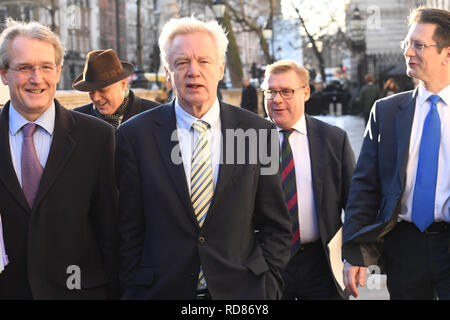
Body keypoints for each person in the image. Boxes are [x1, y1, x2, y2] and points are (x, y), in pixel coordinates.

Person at [115, 16, 292, 300]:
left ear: (221, 68)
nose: (193, 72)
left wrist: (268, 286)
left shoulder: (258, 132)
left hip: (243, 293)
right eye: (182, 62)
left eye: (204, 61)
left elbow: (276, 224)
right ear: (167, 72)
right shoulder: (135, 135)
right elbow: (128, 229)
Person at [0, 19, 118, 299]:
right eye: (25, 67)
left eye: (45, 67)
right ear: (4, 74)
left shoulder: (98, 137)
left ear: (59, 72)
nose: (36, 78)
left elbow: (113, 232)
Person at [343, 6, 450, 300]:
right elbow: (364, 186)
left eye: (419, 45)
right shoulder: (387, 112)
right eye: (407, 44)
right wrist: (354, 253)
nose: (408, 52)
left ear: (447, 54)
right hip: (404, 248)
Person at [262, 59, 355, 299]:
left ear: (306, 92)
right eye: (270, 91)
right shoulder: (248, 141)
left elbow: (355, 203)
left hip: (320, 264)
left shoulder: (333, 140)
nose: (277, 99)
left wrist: (357, 256)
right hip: (266, 265)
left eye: (286, 91)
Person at [72, 49, 159, 129]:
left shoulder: (156, 115)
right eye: (91, 91)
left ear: (123, 83)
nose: (95, 98)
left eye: (103, 90)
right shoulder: (75, 120)